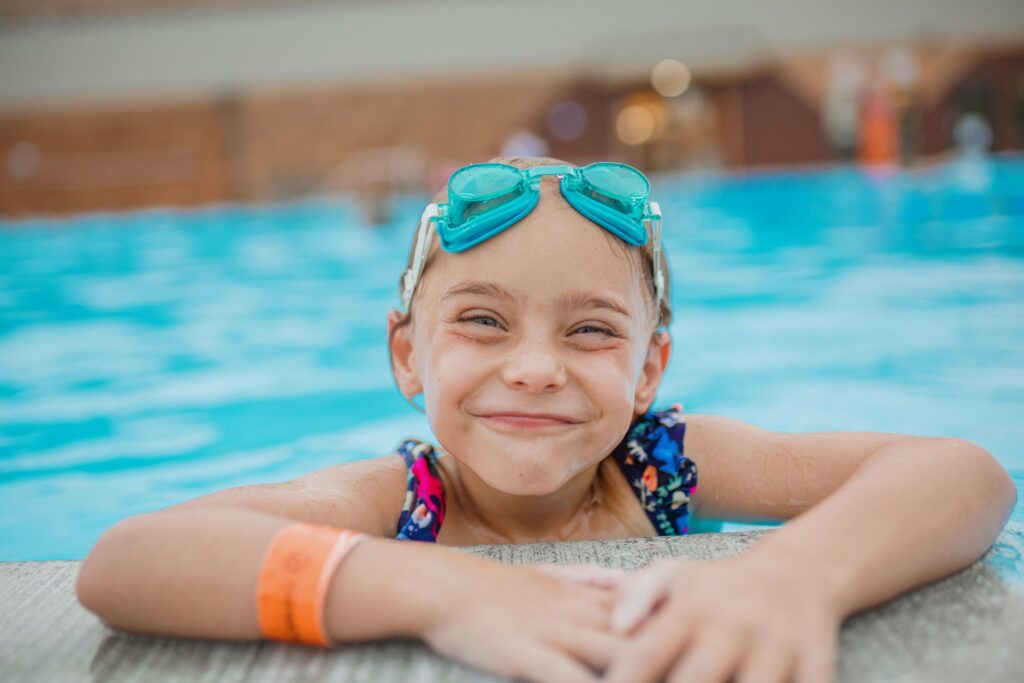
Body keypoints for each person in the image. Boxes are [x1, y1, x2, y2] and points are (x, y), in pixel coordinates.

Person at [76, 156, 1017, 683]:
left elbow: (961, 472)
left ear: (648, 370)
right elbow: (128, 561)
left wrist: (799, 576)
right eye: (483, 320)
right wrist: (442, 594)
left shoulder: (667, 465)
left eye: (591, 330)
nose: (534, 369)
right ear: (409, 354)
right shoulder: (400, 501)